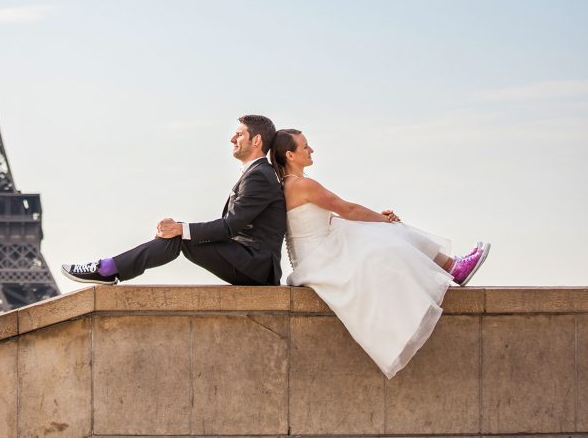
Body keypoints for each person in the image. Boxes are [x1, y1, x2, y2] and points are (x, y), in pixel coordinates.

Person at [273, 128, 490, 378]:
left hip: (314, 251)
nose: (311, 150)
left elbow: (322, 219)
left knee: (385, 235)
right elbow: (348, 209)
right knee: (391, 235)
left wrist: (377, 221)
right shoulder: (304, 185)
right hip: (321, 256)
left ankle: (453, 267)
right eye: (305, 147)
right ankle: (453, 267)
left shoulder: (288, 186)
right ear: (290, 155)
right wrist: (382, 220)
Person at [62, 115, 286, 286]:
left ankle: (108, 268)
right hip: (249, 259)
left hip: (256, 265)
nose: (232, 139)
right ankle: (109, 269)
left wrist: (179, 228)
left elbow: (229, 226)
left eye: (239, 134)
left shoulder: (259, 175)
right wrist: (179, 228)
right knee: (179, 234)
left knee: (180, 235)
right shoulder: (256, 173)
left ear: (256, 140)